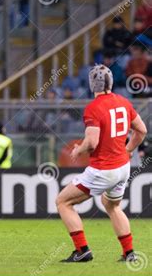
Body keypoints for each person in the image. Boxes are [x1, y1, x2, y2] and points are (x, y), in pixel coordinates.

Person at [56, 64, 147, 263]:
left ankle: (82, 251)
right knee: (112, 205)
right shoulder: (124, 102)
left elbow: (92, 143)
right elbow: (141, 131)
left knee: (63, 202)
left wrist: (77, 149)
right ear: (111, 82)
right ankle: (129, 253)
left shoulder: (93, 108)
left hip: (103, 169)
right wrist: (128, 150)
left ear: (91, 85)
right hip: (123, 167)